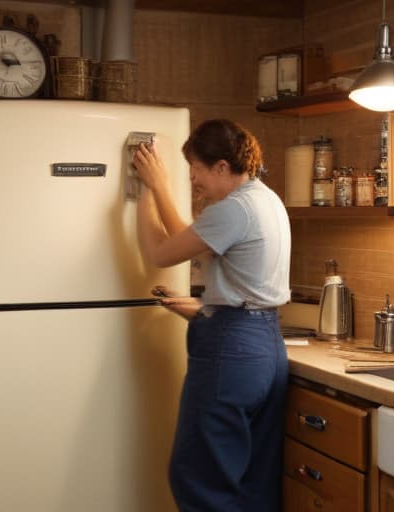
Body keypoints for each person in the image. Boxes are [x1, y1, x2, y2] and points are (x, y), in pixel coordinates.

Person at [132, 119, 291, 512]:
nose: (193, 180)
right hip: (265, 347)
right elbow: (195, 244)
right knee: (251, 482)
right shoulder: (264, 199)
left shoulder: (234, 209)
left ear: (221, 166)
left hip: (233, 350)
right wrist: (206, 311)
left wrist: (147, 190)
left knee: (198, 479)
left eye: (196, 170)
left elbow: (159, 254)